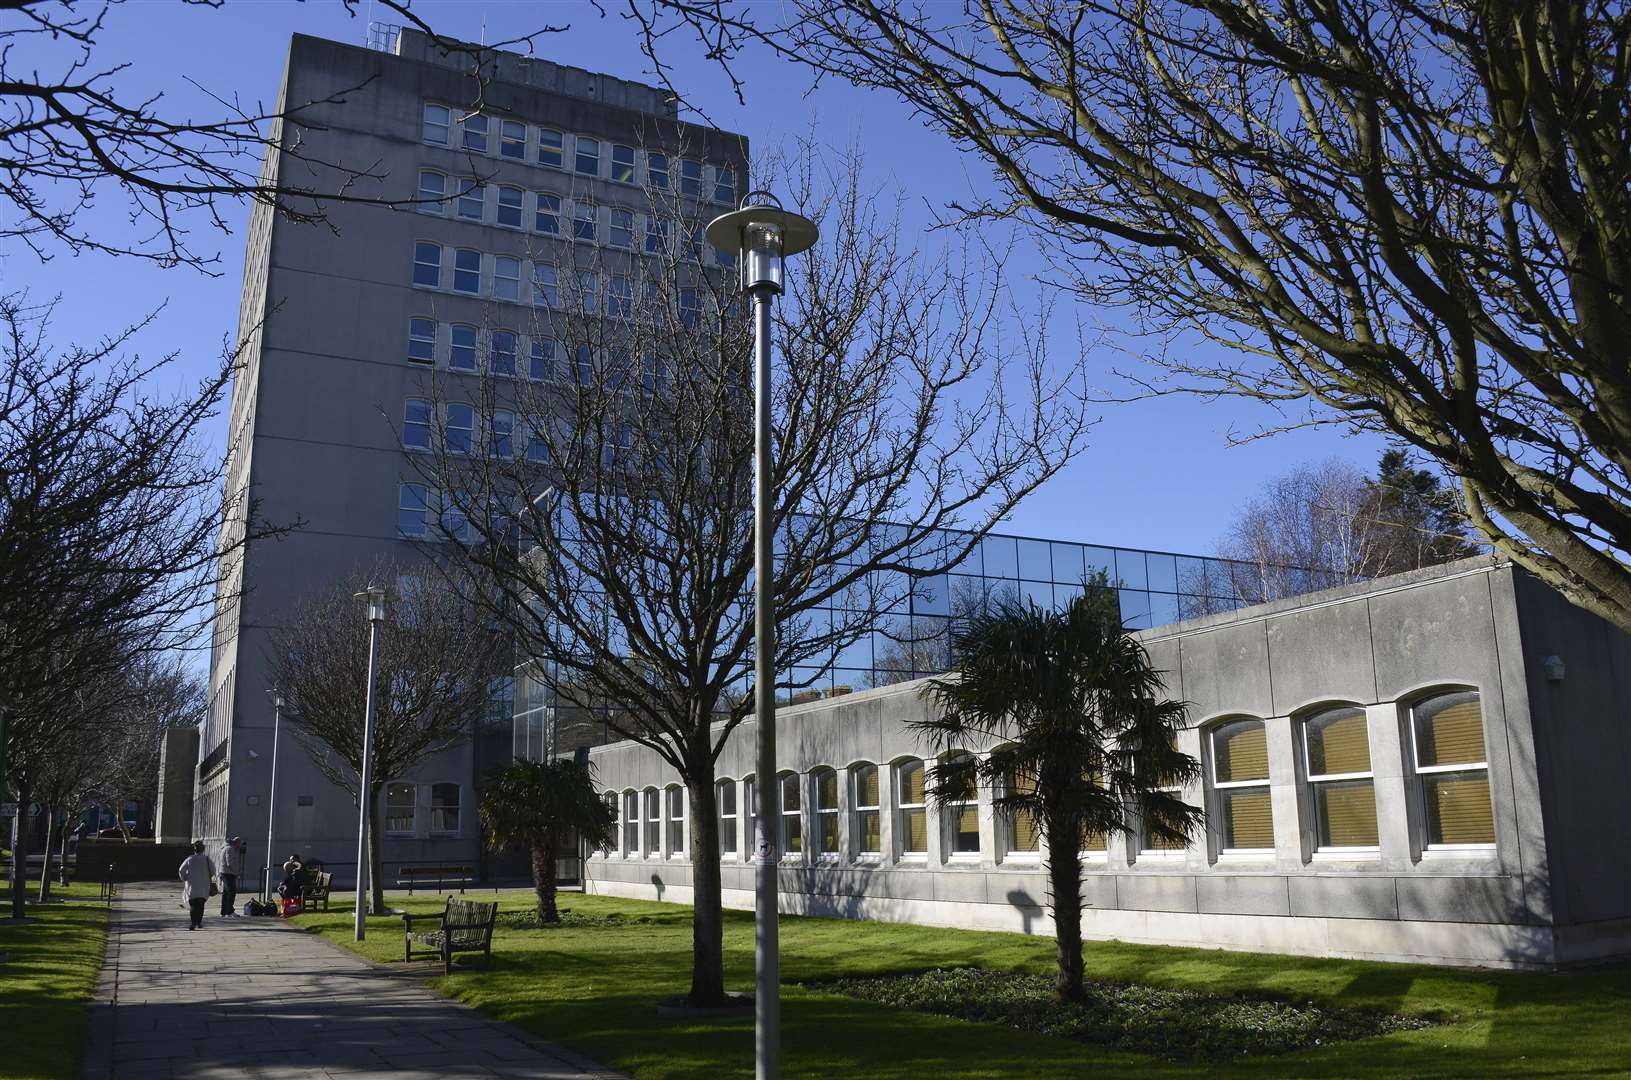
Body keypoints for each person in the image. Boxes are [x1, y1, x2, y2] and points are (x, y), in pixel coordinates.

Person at [178, 840, 216, 931]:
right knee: (201, 905)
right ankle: (198, 922)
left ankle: (193, 922)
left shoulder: (189, 859)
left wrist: (185, 877)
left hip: (192, 886)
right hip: (204, 886)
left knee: (193, 905)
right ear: (203, 850)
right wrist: (207, 876)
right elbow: (213, 870)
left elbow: (181, 870)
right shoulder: (206, 859)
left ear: (194, 850)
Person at [217, 836, 245, 918]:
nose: (240, 846)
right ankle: (230, 911)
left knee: (226, 893)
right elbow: (230, 863)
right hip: (229, 873)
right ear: (236, 843)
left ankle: (223, 911)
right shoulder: (230, 849)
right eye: (239, 844)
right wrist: (236, 872)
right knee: (231, 892)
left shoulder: (227, 848)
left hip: (225, 873)